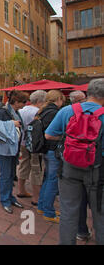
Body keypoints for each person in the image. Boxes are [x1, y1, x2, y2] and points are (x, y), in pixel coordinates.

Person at [45, 78, 104, 245]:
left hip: (69, 167)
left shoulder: (66, 111)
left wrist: (69, 139)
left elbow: (49, 135)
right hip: (98, 169)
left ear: (88, 93)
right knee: (100, 213)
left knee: (69, 211)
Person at [0, 90, 29, 214]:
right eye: (23, 102)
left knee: (12, 174)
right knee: (6, 174)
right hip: (4, 147)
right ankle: (5, 200)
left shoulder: (16, 112)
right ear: (16, 102)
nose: (25, 104)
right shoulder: (2, 111)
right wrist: (11, 124)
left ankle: (10, 197)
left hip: (13, 146)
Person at [34, 90, 65, 223]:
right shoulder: (54, 113)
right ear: (58, 99)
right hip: (52, 149)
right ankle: (48, 211)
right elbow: (51, 133)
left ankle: (42, 206)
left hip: (44, 149)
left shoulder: (42, 111)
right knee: (52, 180)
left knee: (47, 178)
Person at [17, 90, 47, 205]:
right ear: (40, 101)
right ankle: (36, 197)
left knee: (23, 164)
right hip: (35, 145)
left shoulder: (21, 110)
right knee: (36, 169)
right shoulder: (39, 112)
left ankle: (21, 190)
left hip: (23, 142)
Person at [68, 90, 91, 241]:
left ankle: (81, 230)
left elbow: (49, 134)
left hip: (74, 159)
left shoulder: (65, 111)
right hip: (96, 160)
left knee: (80, 196)